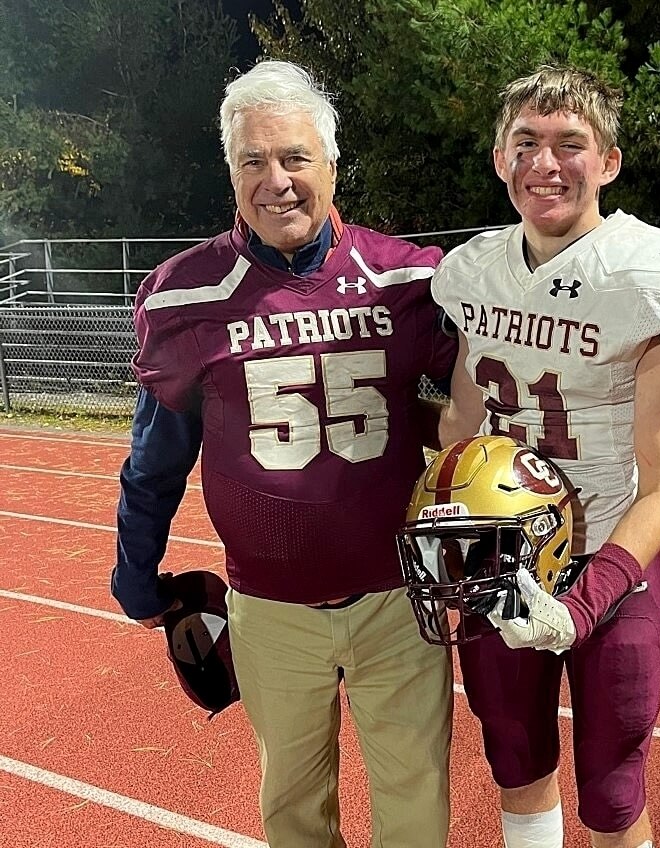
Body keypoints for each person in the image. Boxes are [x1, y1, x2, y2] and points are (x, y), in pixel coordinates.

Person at [111, 60, 456, 848]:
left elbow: (480, 405)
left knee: (416, 812)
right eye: (253, 161)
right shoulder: (185, 294)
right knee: (294, 819)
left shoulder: (407, 279)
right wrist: (135, 572)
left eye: (295, 157)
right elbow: (156, 458)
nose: (278, 181)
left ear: (332, 163)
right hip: (267, 608)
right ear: (230, 172)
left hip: (398, 600)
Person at [432, 65, 660, 848]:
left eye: (571, 143)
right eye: (526, 143)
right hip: (502, 553)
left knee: (611, 783)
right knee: (514, 754)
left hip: (609, 554)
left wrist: (581, 601)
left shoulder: (654, 274)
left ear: (608, 161)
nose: (546, 163)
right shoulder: (472, 271)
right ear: (502, 160)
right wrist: (449, 521)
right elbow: (464, 421)